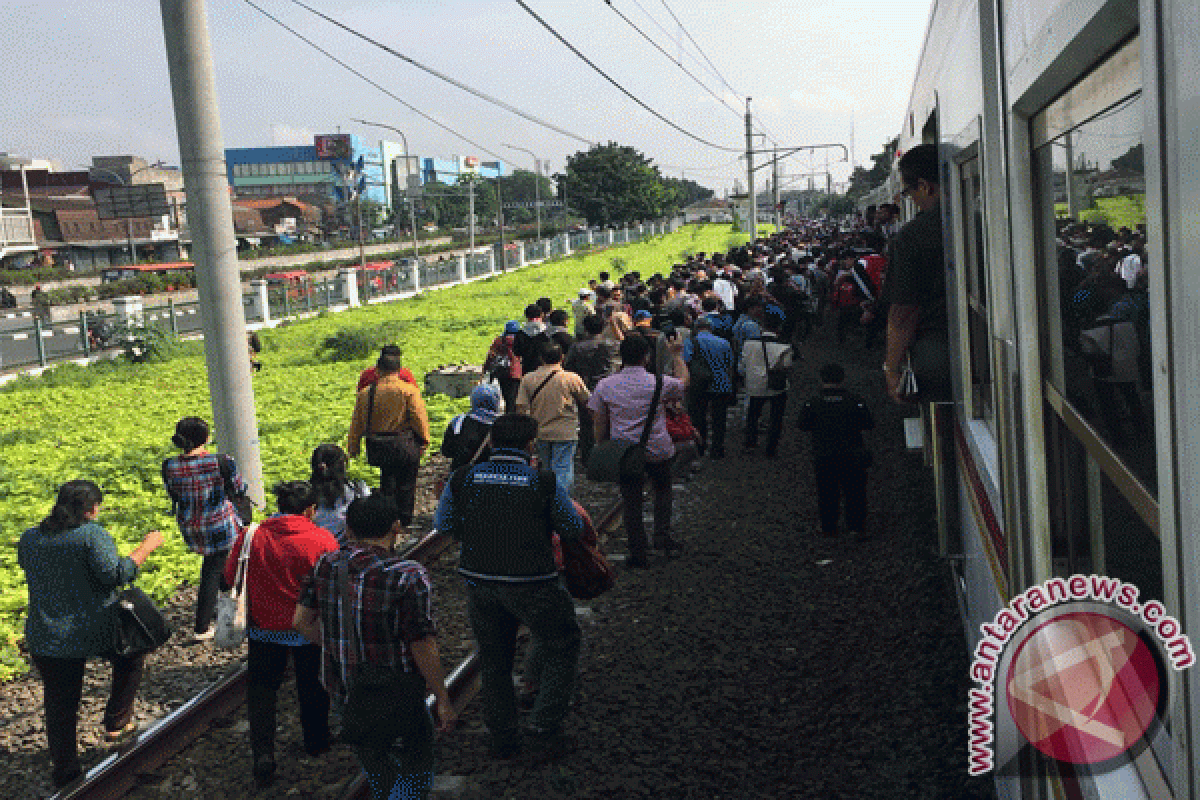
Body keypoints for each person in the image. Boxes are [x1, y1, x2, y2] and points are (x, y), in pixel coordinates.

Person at [432, 413, 583, 760]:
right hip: (533, 582)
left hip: (479, 581)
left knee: (494, 660)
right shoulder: (541, 481)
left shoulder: (463, 477)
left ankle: (502, 736)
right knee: (562, 643)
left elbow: (444, 524)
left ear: (493, 443)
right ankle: (544, 726)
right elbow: (572, 527)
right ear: (530, 445)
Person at [294, 494, 454, 800]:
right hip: (397, 690)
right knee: (415, 768)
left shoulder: (326, 564)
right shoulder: (407, 575)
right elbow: (421, 643)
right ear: (396, 528)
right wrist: (442, 698)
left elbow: (301, 622)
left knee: (376, 764)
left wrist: (338, 648)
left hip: (346, 687)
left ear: (349, 531)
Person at [19, 480, 164, 788]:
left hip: (47, 634)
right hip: (96, 627)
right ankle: (117, 721)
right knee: (132, 653)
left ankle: (65, 770)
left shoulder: (30, 537)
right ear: (90, 509)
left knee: (60, 703)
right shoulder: (90, 535)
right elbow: (116, 574)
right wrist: (145, 548)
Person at [223, 481, 339, 789]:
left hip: (263, 629)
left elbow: (228, 574)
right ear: (310, 510)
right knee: (312, 686)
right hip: (308, 629)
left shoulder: (252, 535)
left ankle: (263, 752)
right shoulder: (322, 539)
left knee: (261, 691)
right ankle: (316, 740)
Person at [589, 333, 689, 566]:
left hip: (624, 452)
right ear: (646, 357)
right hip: (658, 449)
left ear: (622, 357)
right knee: (663, 492)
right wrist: (677, 355)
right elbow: (684, 382)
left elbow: (599, 419)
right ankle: (662, 537)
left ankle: (638, 552)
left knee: (631, 501)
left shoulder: (606, 385)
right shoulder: (659, 382)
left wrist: (601, 445)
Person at [161, 416, 247, 641]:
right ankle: (201, 626)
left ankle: (227, 595)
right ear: (206, 438)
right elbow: (239, 488)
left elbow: (174, 494)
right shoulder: (220, 461)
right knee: (212, 569)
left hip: (190, 525)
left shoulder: (169, 465)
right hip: (219, 523)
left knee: (216, 562)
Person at [882, 143, 950, 402]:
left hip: (938, 356)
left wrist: (891, 368)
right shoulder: (982, 218)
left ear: (925, 186)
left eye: (909, 191)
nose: (911, 199)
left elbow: (903, 312)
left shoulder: (911, 236)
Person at [347, 349, 431, 524]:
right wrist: (424, 440)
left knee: (387, 481)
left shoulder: (366, 393)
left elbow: (357, 424)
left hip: (379, 446)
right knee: (407, 484)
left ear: (378, 370)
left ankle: (388, 519)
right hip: (405, 444)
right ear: (399, 370)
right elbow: (419, 418)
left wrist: (353, 448)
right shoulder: (409, 390)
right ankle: (404, 520)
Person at [797, 363, 875, 539]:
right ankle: (855, 526)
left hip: (824, 454)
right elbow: (869, 423)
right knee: (855, 492)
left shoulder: (813, 402)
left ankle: (829, 526)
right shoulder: (855, 401)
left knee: (827, 492)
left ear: (822, 379)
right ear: (842, 379)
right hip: (852, 453)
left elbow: (803, 424)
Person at [515, 342, 591, 492]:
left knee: (546, 467)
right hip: (565, 432)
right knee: (563, 467)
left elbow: (520, 408)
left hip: (540, 431)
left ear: (541, 358)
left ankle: (547, 499)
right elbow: (588, 401)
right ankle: (561, 501)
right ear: (562, 358)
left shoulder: (528, 379)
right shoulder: (571, 378)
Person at [563, 314, 617, 464]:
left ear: (586, 328)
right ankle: (607, 456)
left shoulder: (577, 347)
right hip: (608, 387)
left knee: (586, 424)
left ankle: (587, 458)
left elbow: (568, 367)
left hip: (584, 387)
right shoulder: (612, 345)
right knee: (608, 422)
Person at [741, 314, 794, 457]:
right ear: (779, 328)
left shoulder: (749, 343)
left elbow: (744, 363)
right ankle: (771, 448)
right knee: (776, 417)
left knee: (753, 415)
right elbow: (787, 366)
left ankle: (750, 443)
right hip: (777, 386)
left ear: (762, 327)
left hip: (755, 385)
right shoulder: (784, 346)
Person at [685, 316, 735, 459]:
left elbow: (687, 362)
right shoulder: (724, 342)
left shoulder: (691, 342)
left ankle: (700, 447)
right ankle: (717, 449)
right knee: (719, 419)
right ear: (711, 328)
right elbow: (730, 365)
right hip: (721, 385)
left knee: (699, 417)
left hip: (699, 385)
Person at [310, 443, 370, 543]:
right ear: (342, 465)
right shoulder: (358, 490)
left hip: (316, 547)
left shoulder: (305, 494)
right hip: (349, 548)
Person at [441, 382, 501, 470]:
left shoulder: (459, 422)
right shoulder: (502, 425)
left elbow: (446, 451)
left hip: (463, 475)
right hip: (491, 476)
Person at [484, 321, 523, 412]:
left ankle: (508, 415)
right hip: (517, 373)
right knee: (515, 397)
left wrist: (486, 369)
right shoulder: (521, 340)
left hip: (502, 373)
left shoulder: (499, 340)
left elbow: (491, 356)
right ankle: (514, 416)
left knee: (506, 396)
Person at [513, 303, 550, 376]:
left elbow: (516, 351)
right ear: (541, 315)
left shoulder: (521, 333)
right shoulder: (546, 332)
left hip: (527, 367)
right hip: (544, 368)